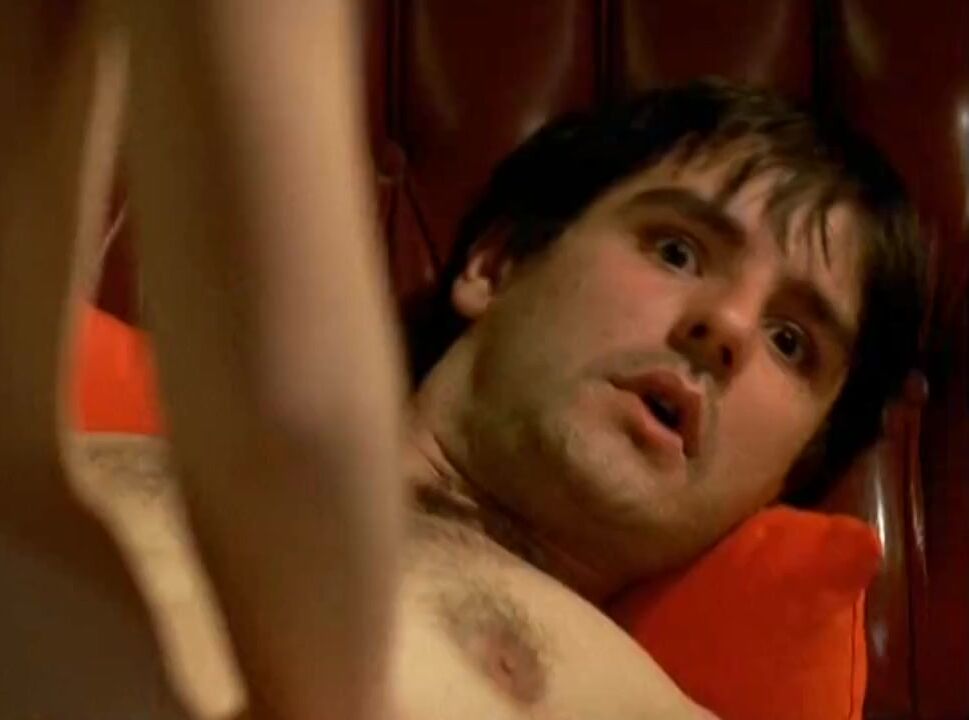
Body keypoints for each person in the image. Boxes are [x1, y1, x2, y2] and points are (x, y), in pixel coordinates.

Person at [0, 3, 925, 720]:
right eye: (677, 250)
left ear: (788, 472)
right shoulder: (83, 458)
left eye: (791, 342)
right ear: (498, 263)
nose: (724, 326)